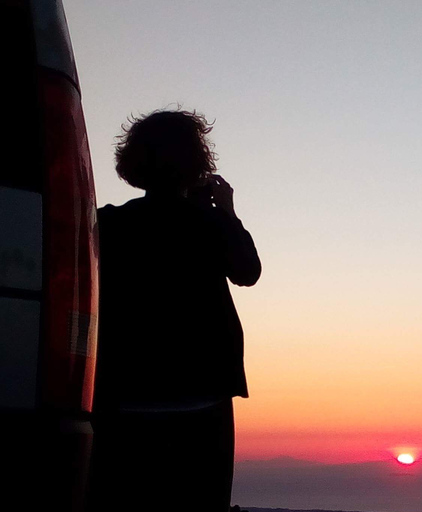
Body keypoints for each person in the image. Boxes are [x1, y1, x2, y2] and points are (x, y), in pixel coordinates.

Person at [89, 109, 261, 512]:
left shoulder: (107, 224)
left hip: (124, 397)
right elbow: (247, 272)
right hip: (202, 398)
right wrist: (225, 213)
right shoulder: (210, 225)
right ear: (196, 164)